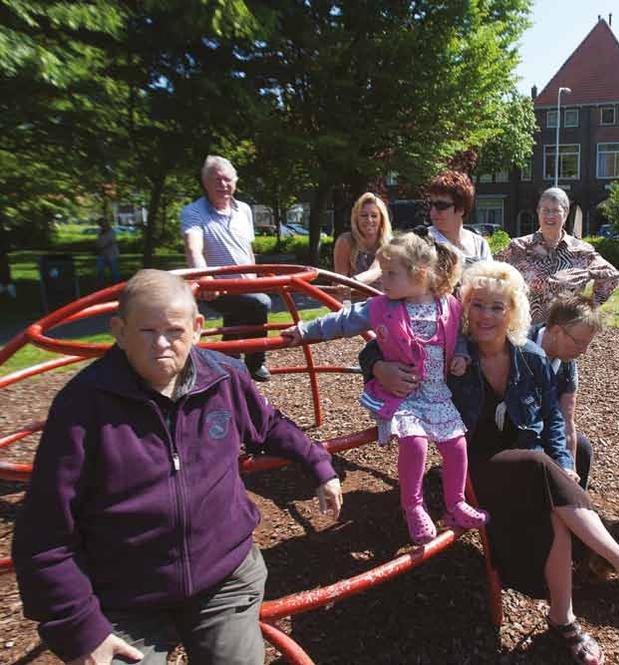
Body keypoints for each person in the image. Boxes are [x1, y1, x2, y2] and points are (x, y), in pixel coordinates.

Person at [13, 269, 342, 665]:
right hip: (123, 594)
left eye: (174, 330)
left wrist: (319, 464)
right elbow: (43, 536)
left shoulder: (222, 379)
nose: (162, 344)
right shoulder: (84, 406)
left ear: (198, 328)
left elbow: (269, 425)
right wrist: (80, 629)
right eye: (146, 331)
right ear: (118, 331)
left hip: (223, 577)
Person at [365, 261, 619, 665]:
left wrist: (564, 460)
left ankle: (563, 620)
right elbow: (376, 345)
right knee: (538, 466)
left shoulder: (530, 357)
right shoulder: (450, 350)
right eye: (478, 305)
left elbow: (554, 417)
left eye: (497, 307)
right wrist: (379, 366)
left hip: (525, 460)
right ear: (465, 309)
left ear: (513, 311)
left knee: (560, 475)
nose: (486, 315)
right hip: (474, 468)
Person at [281, 233, 488, 545]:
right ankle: (413, 506)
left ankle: (456, 502)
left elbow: (458, 335)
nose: (383, 280)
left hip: (436, 394)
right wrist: (305, 330)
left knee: (457, 444)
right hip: (404, 398)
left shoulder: (449, 306)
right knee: (415, 443)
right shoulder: (381, 307)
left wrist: (460, 354)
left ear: (418, 274)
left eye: (390, 274)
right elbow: (344, 320)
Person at [181, 155, 272, 382]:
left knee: (241, 314)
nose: (223, 184)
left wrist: (256, 275)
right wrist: (206, 279)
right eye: (216, 179)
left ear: (236, 181)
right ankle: (255, 362)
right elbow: (194, 249)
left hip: (246, 285)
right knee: (261, 303)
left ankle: (227, 367)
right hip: (218, 287)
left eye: (227, 179)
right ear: (205, 183)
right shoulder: (194, 212)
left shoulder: (244, 210)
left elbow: (247, 249)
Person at [497, 187, 619, 324]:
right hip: (524, 331)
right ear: (538, 212)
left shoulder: (581, 251)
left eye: (556, 210)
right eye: (545, 210)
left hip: (564, 331)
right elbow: (490, 271)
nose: (550, 215)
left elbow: (611, 276)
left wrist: (589, 307)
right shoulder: (518, 247)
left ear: (566, 214)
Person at [530, 292, 603, 489]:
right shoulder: (520, 345)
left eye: (587, 344)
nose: (583, 351)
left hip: (547, 427)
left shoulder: (567, 364)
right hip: (515, 427)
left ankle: (577, 499)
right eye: (579, 342)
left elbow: (567, 419)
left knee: (583, 449)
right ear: (555, 330)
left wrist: (570, 468)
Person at [423, 171, 492, 267]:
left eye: (441, 205)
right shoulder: (422, 242)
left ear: (461, 209)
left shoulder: (480, 245)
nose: (433, 211)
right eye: (430, 205)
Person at [332, 192, 392, 290]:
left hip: (383, 302)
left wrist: (351, 283)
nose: (369, 220)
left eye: (374, 216)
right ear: (356, 218)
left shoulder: (390, 245)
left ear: (381, 219)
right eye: (364, 215)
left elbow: (376, 269)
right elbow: (339, 280)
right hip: (355, 302)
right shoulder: (346, 241)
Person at [95, 219, 121, 284]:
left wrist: (102, 248)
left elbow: (111, 242)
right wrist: (97, 247)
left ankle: (116, 285)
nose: (101, 226)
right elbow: (98, 242)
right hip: (102, 255)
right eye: (100, 224)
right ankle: (101, 284)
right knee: (99, 270)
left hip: (112, 255)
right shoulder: (100, 232)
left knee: (114, 271)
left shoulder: (112, 232)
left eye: (102, 224)